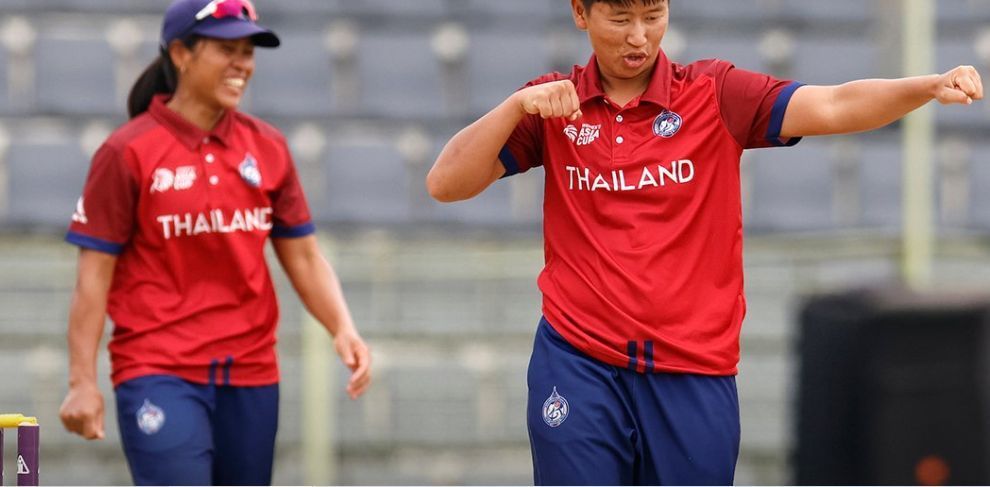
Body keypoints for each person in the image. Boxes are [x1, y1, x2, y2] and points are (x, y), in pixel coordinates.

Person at [426, 0, 983, 484]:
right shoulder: (553, 106)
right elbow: (445, 184)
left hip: (693, 372)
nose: (638, 36)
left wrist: (928, 86)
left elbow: (834, 104)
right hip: (578, 361)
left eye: (653, 15)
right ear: (581, 13)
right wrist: (513, 108)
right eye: (620, 18)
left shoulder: (716, 93)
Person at [57, 0, 372, 484]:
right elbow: (92, 278)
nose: (242, 63)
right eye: (227, 49)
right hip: (158, 369)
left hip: (251, 373)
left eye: (248, 51)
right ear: (181, 53)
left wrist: (342, 327)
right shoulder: (126, 152)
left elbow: (304, 256)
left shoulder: (267, 147)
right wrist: (82, 382)